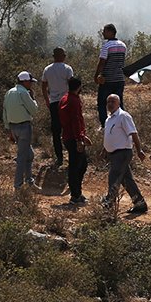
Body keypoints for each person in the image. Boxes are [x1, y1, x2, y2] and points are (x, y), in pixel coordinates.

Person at [101, 93, 148, 213]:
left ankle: (109, 204)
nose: (110, 104)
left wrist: (139, 150)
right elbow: (110, 136)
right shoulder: (109, 118)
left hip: (122, 153)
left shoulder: (123, 116)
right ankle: (140, 204)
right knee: (127, 180)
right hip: (114, 154)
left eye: (113, 102)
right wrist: (104, 150)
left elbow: (133, 133)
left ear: (118, 103)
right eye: (109, 102)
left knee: (114, 176)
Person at [3, 71, 40, 190]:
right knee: (22, 157)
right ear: (25, 81)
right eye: (30, 82)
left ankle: (29, 181)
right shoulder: (24, 93)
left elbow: (4, 112)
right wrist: (33, 98)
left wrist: (8, 130)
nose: (31, 85)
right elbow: (34, 110)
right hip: (24, 127)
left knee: (29, 154)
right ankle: (18, 185)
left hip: (13, 127)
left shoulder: (9, 92)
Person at [59, 76, 90, 205]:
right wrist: (79, 139)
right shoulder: (74, 101)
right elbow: (76, 121)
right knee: (77, 166)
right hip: (73, 137)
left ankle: (77, 192)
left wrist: (82, 136)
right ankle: (75, 195)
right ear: (79, 87)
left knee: (80, 164)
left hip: (68, 136)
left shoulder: (64, 99)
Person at [41, 47, 74, 167]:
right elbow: (72, 85)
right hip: (66, 102)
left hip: (54, 103)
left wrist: (46, 100)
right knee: (69, 129)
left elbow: (43, 86)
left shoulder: (47, 69)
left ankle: (59, 157)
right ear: (62, 56)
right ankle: (71, 156)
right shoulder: (67, 69)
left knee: (56, 131)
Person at [94, 23, 127, 127]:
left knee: (102, 102)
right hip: (119, 79)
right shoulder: (123, 45)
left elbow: (102, 62)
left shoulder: (107, 46)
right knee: (119, 102)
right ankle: (121, 124)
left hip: (107, 80)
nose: (103, 33)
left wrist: (96, 75)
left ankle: (105, 125)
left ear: (110, 32)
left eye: (105, 31)